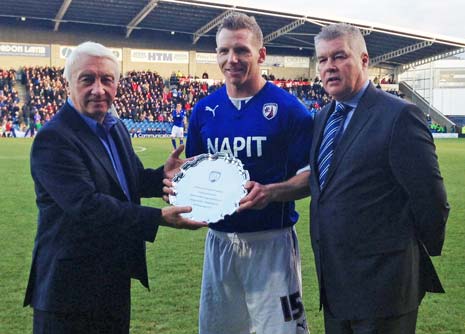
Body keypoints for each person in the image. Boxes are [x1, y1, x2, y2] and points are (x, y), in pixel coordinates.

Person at [23, 41, 207, 334]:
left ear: (117, 84)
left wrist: (165, 176)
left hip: (113, 281)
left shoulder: (114, 126)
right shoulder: (54, 139)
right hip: (68, 293)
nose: (99, 89)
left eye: (106, 79)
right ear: (68, 82)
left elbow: (130, 178)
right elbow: (87, 206)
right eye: (88, 79)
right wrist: (158, 218)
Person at [309, 23, 449, 334]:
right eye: (322, 59)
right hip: (334, 285)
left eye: (339, 56)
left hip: (384, 288)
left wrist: (404, 256)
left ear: (364, 60)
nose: (329, 67)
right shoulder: (323, 117)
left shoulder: (399, 115)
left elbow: (431, 199)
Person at [185, 12, 313, 334]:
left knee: (283, 331)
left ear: (261, 54)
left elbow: (311, 176)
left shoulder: (289, 110)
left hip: (272, 243)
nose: (232, 59)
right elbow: (196, 172)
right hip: (220, 242)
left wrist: (272, 192)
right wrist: (178, 182)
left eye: (241, 50)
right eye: (224, 51)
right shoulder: (203, 111)